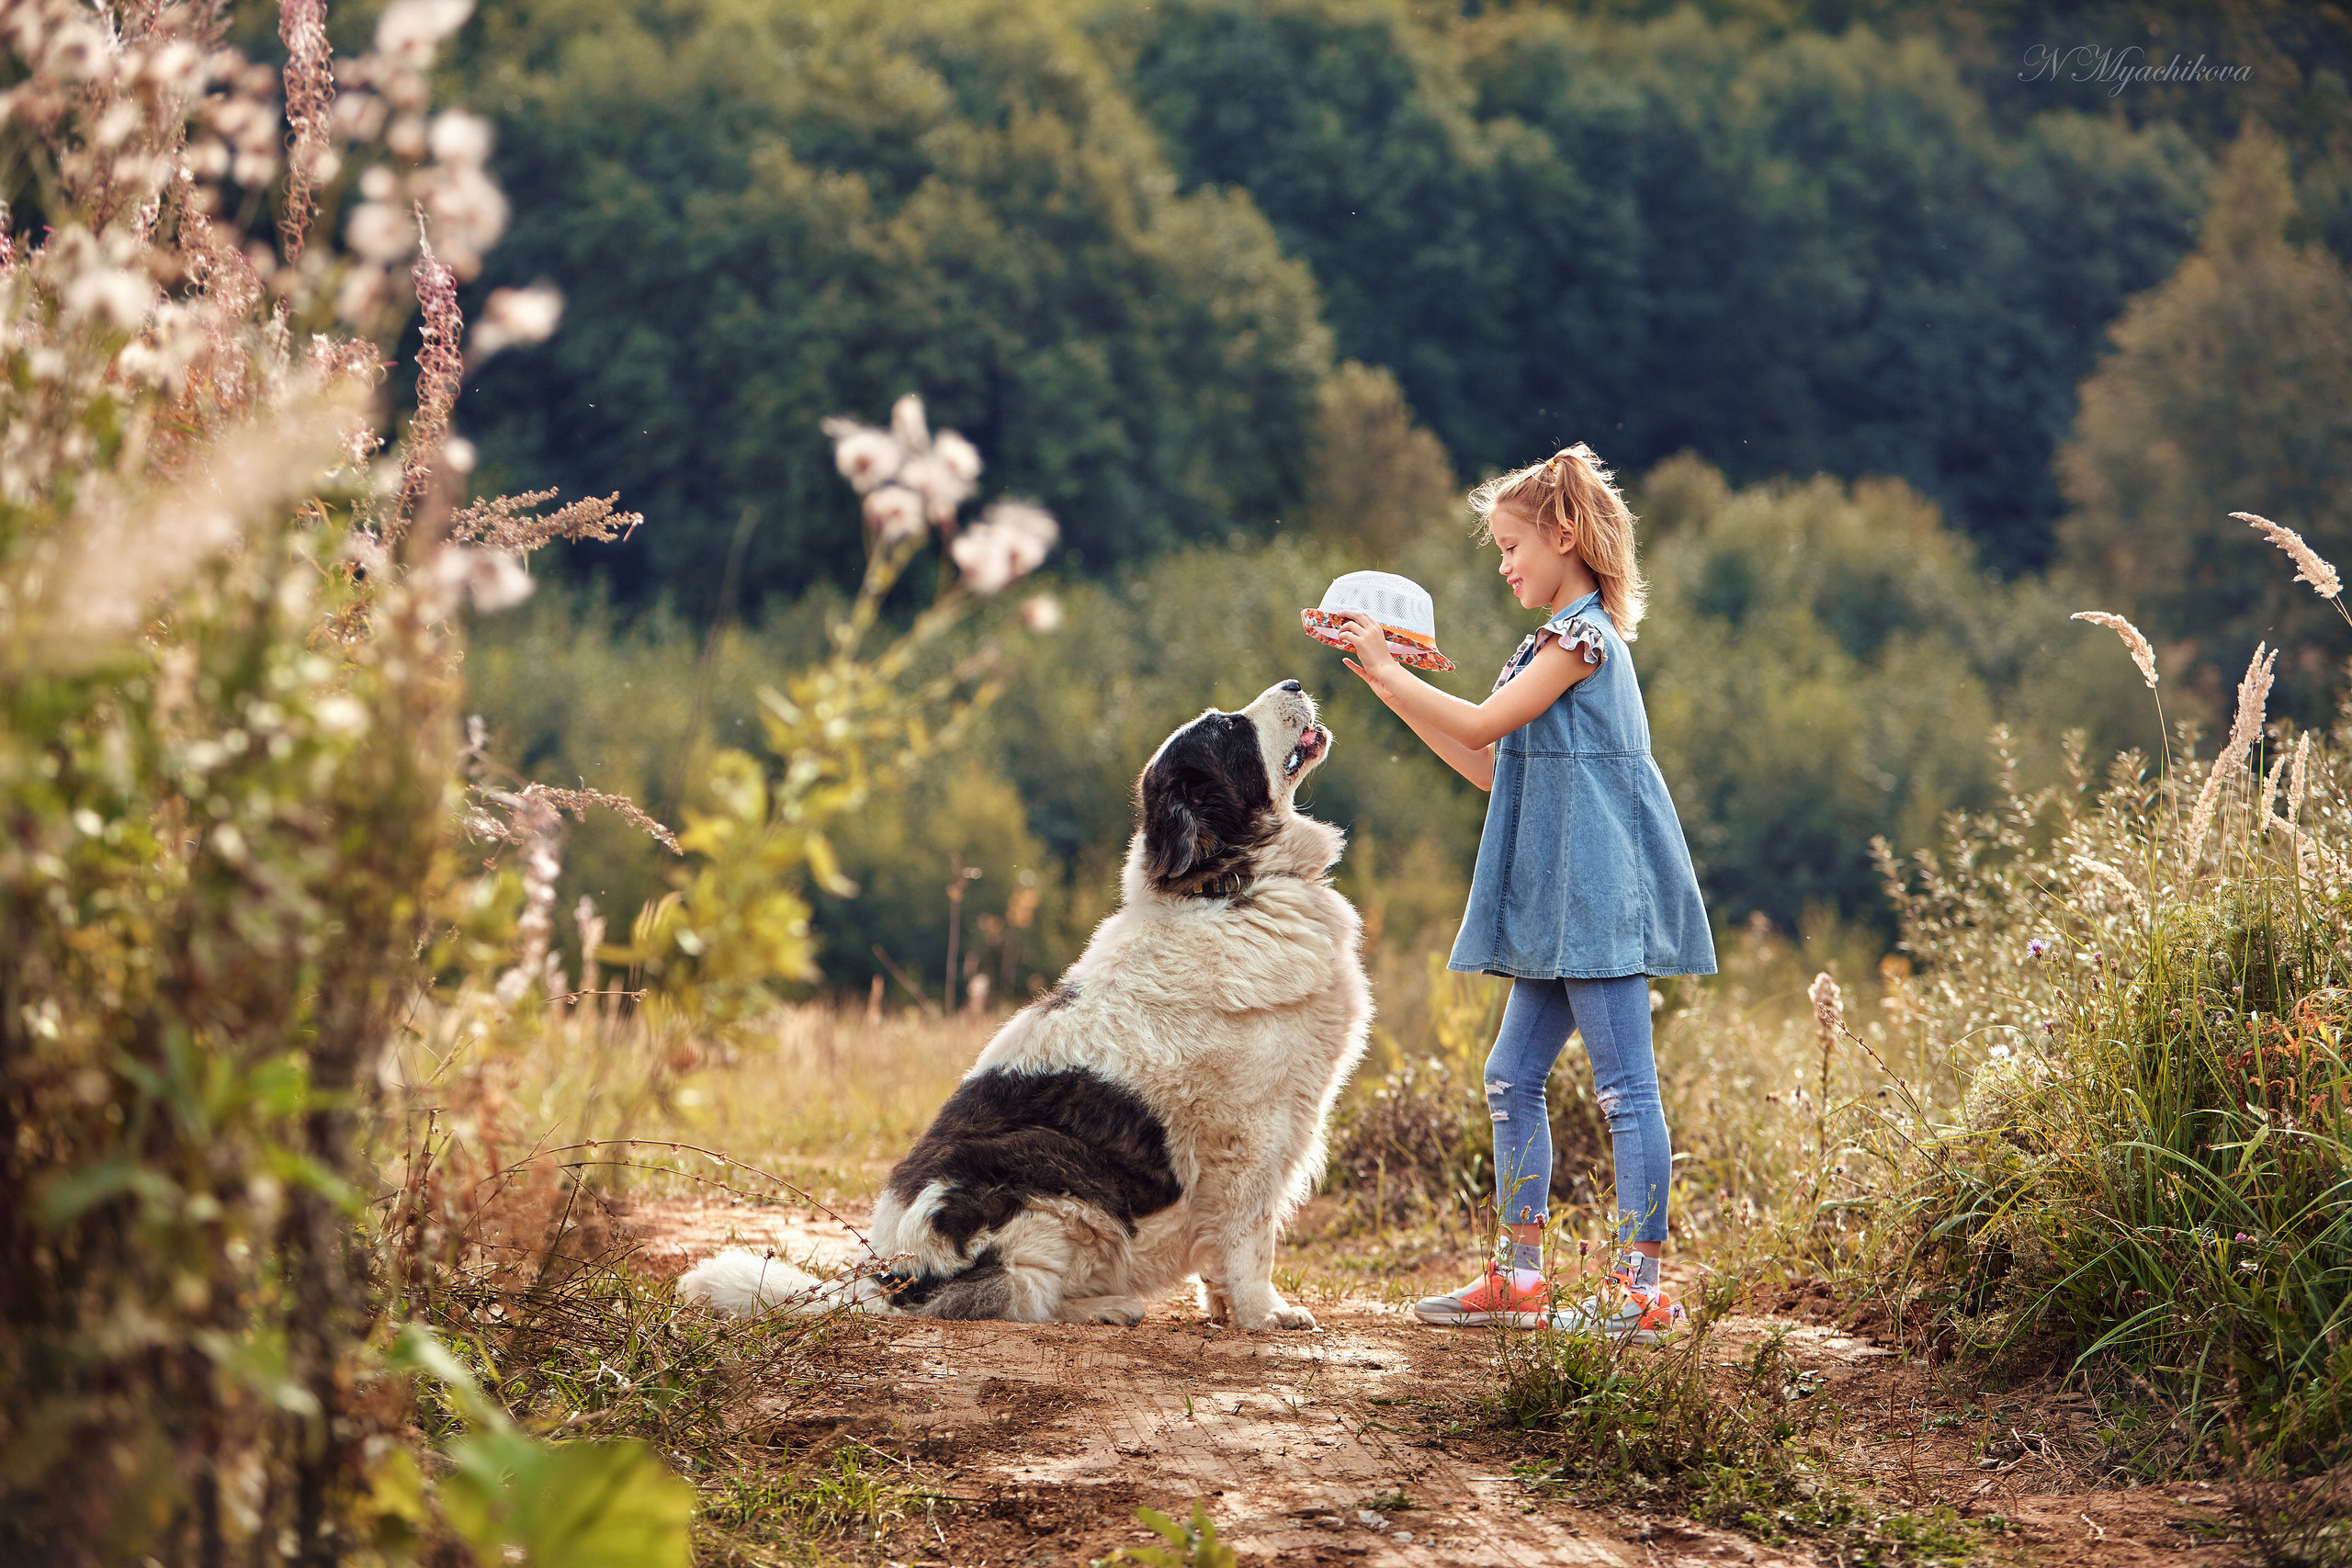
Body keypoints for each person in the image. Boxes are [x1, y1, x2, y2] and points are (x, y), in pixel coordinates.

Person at [1329, 445, 1715, 1341]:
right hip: (1556, 901)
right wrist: (1388, 688)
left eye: (1511, 546)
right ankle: (1520, 1276)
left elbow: (1483, 720)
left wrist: (1395, 674)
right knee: (1510, 1077)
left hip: (1602, 892)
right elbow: (1487, 761)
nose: (1502, 563)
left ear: (1565, 536)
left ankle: (1644, 1287)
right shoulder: (1541, 643)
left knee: (1625, 1090)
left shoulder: (1583, 640)